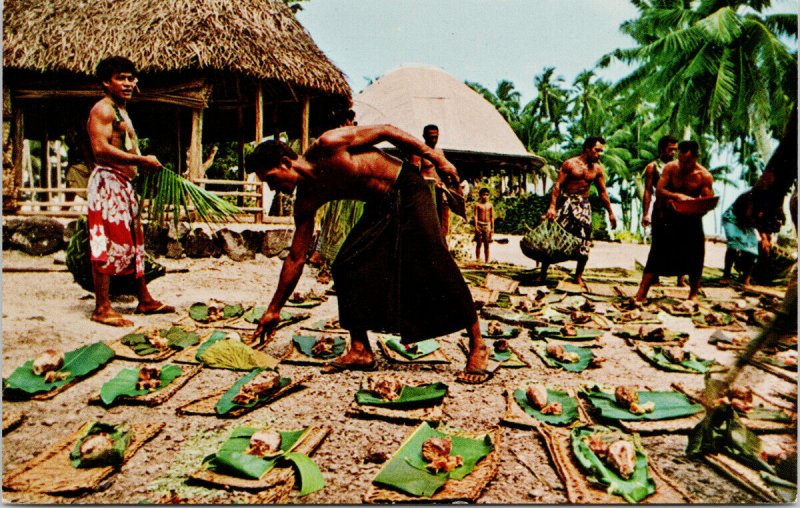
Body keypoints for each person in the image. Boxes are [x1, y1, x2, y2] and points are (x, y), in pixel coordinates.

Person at [246, 124, 490, 383]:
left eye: (270, 178)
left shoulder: (329, 145)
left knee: (437, 263)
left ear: (286, 162)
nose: (272, 188)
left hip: (408, 188)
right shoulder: (306, 199)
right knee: (345, 264)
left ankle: (478, 344)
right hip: (379, 206)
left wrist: (436, 158)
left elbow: (386, 131)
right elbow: (296, 257)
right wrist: (274, 309)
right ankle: (360, 349)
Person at [86, 56, 174, 326]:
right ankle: (102, 307)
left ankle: (144, 299)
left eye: (130, 78)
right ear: (105, 82)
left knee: (135, 242)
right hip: (107, 184)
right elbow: (99, 149)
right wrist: (140, 160)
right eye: (120, 78)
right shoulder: (103, 110)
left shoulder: (121, 110)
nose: (127, 83)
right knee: (105, 243)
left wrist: (140, 165)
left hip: (123, 184)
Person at [635, 140, 714, 301]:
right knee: (657, 253)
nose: (684, 165)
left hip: (690, 218)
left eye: (688, 161)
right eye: (681, 160)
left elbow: (708, 202)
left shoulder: (704, 176)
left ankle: (693, 294)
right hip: (666, 216)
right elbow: (659, 191)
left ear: (696, 157)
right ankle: (641, 293)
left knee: (696, 255)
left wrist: (693, 208)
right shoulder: (670, 168)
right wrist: (675, 196)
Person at [541, 136, 617, 285]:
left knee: (584, 240)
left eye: (601, 151)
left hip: (583, 205)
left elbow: (603, 192)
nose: (599, 154)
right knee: (553, 236)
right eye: (597, 150)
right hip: (566, 202)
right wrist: (552, 207)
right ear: (587, 149)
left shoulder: (597, 169)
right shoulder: (570, 164)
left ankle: (578, 276)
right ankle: (542, 274)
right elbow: (557, 185)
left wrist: (611, 213)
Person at [641, 135, 685, 287]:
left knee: (681, 243)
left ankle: (681, 279)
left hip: (678, 210)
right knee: (658, 244)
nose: (672, 152)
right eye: (670, 149)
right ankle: (655, 278)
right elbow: (647, 191)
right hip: (661, 210)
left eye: (675, 149)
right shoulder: (653, 167)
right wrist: (645, 214)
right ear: (661, 149)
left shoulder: (680, 166)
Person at [720, 190, 771, 286]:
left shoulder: (768, 202)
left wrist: (764, 238)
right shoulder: (750, 196)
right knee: (733, 245)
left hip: (749, 222)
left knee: (753, 250)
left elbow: (760, 220)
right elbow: (749, 216)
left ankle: (746, 278)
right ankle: (726, 275)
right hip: (733, 218)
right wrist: (763, 235)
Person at [410, 124, 451, 238]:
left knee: (442, 224)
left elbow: (443, 172)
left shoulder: (440, 152)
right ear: (424, 136)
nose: (434, 139)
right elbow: (413, 175)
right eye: (431, 137)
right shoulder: (418, 152)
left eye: (436, 137)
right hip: (426, 193)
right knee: (427, 225)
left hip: (439, 192)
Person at [473, 187, 494, 263]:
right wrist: (476, 226)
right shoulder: (477, 205)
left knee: (487, 244)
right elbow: (475, 216)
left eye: (487, 195)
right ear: (480, 195)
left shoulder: (490, 205)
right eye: (483, 194)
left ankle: (487, 261)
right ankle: (478, 259)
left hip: (487, 226)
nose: (485, 196)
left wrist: (492, 228)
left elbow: (492, 217)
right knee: (478, 243)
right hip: (479, 224)